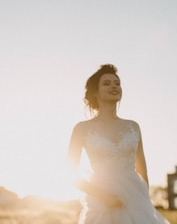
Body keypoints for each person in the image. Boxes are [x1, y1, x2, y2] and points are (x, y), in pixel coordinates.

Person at [67, 64, 170, 224]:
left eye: (117, 83)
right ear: (95, 92)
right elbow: (70, 175)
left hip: (135, 201)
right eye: (107, 83)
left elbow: (143, 171)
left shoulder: (133, 126)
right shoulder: (82, 128)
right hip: (100, 202)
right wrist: (103, 196)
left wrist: (144, 203)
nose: (114, 86)